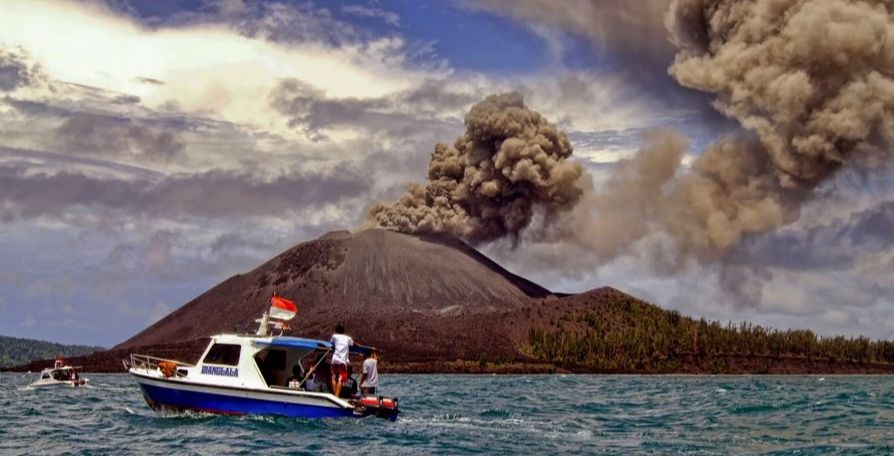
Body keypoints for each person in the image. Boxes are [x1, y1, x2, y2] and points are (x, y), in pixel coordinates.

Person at [329, 324, 353, 398]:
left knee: (333, 377)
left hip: (334, 359)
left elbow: (331, 343)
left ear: (336, 331)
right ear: (344, 331)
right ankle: (337, 396)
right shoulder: (348, 338)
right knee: (340, 379)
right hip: (342, 360)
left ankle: (335, 395)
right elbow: (352, 344)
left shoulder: (334, 336)